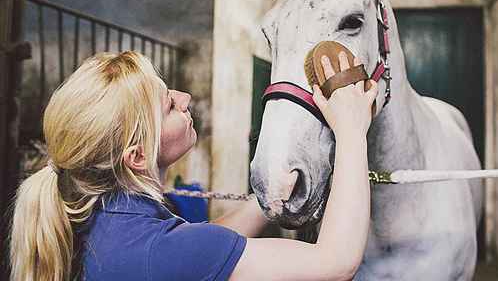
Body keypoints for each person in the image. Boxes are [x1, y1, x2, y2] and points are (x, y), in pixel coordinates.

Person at [10, 50, 377, 281]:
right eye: (169, 105)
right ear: (137, 156)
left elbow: (204, 244)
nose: (185, 99)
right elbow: (335, 262)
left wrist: (268, 199)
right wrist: (351, 130)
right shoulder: (155, 252)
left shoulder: (101, 219)